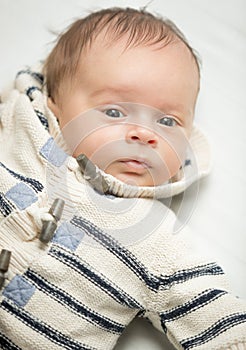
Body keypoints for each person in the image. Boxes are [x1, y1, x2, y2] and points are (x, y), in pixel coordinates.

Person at [0, 7, 245, 350]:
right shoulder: (17, 124)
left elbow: (221, 323)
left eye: (168, 121)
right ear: (55, 103)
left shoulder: (157, 237)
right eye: (114, 112)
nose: (144, 134)